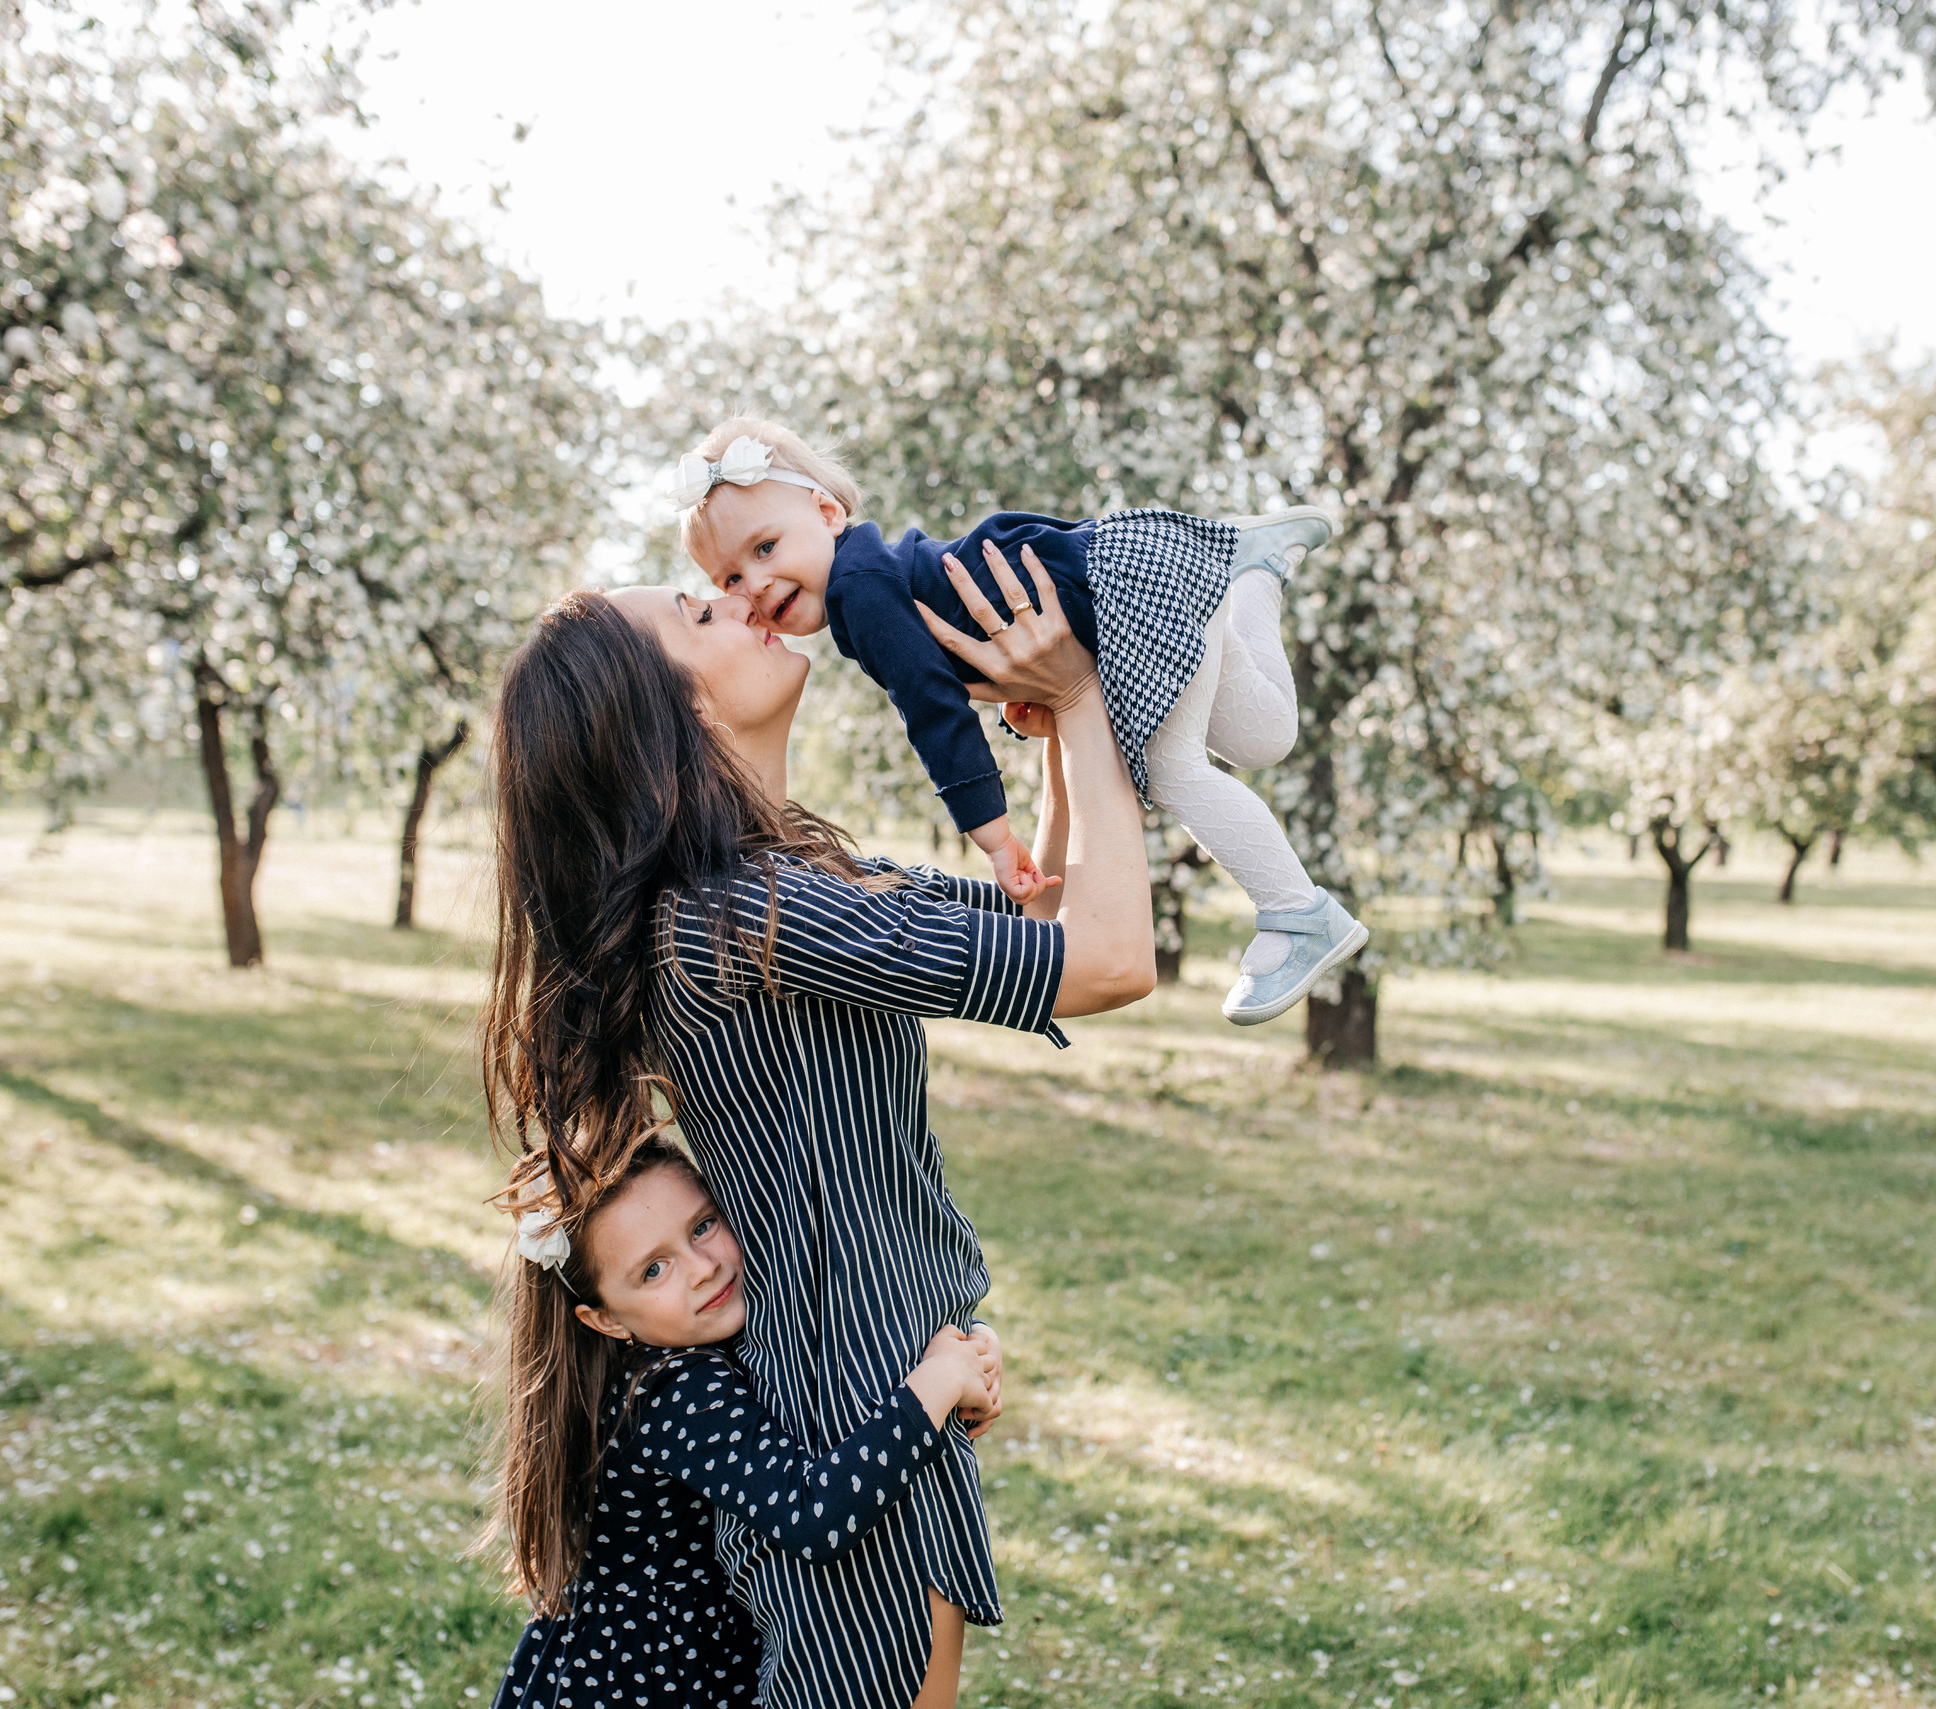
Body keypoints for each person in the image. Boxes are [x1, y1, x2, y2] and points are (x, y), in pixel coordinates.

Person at [483, 549, 1153, 1709]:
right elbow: (1106, 959)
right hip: (859, 1412)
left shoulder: (778, 880)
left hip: (877, 1382)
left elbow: (1042, 914)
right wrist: (1087, 701)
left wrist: (1044, 723)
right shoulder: (736, 917)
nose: (742, 597)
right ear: (673, 714)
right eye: (701, 611)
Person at [665, 417, 1369, 1025]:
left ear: (825, 513)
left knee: (1169, 769)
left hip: (1116, 604)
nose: (752, 586)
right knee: (1264, 736)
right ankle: (1255, 573)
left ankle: (1297, 912)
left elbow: (930, 708)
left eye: (764, 549)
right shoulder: (878, 568)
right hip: (1145, 571)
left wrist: (993, 834)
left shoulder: (858, 589)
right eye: (727, 579)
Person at [485, 1135, 1003, 1709]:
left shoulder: (703, 1340)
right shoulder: (674, 1393)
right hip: (647, 1683)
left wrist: (973, 1343)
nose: (703, 1270)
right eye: (654, 1270)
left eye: (703, 1226)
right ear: (604, 1319)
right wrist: (934, 1386)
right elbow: (814, 1515)